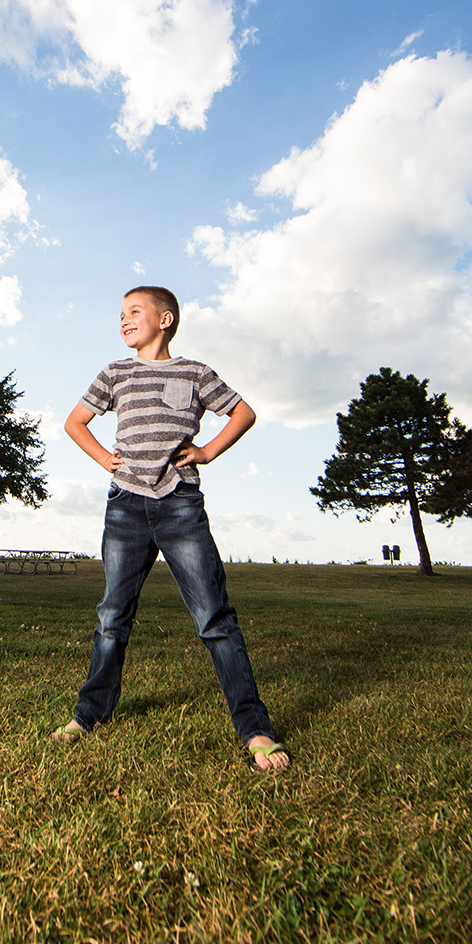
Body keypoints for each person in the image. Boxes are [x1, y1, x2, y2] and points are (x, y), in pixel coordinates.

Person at [51, 285, 289, 773]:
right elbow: (76, 422)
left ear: (165, 319)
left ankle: (255, 728)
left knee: (214, 618)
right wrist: (104, 459)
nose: (123, 320)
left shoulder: (195, 372)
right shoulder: (115, 373)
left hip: (179, 504)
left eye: (134, 312)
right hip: (126, 506)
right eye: (120, 314)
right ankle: (88, 716)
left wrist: (207, 451)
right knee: (112, 616)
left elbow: (243, 411)